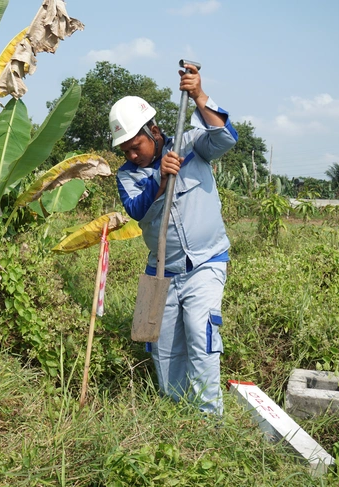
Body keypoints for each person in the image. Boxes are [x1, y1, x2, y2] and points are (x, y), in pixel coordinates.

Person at [109, 64, 238, 414]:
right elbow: (137, 210)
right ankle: (176, 413)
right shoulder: (127, 175)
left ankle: (210, 418)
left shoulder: (191, 144)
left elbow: (227, 137)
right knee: (161, 345)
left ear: (154, 131)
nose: (132, 156)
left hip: (205, 262)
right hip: (161, 269)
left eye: (136, 147)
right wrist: (161, 182)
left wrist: (198, 96)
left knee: (201, 333)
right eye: (126, 151)